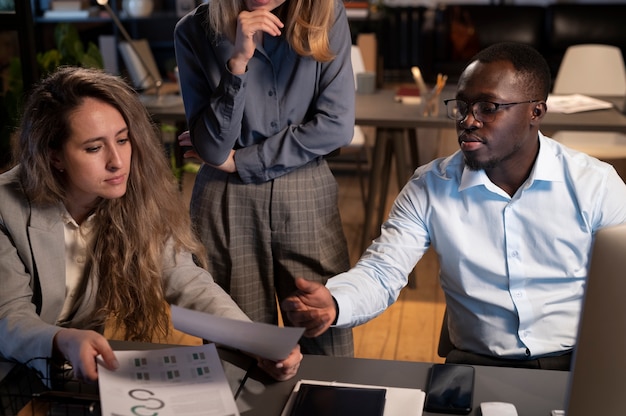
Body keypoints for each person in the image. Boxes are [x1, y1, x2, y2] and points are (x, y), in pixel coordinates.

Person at [282, 42, 626, 371]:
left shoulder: (595, 185)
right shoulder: (429, 186)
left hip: (579, 362)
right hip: (477, 361)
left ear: (536, 112)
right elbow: (382, 272)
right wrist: (335, 302)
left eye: (488, 108)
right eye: (462, 106)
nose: (468, 121)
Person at [0, 66, 301, 383]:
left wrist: (255, 341)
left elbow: (186, 280)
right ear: (54, 157)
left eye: (122, 139)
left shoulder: (136, 197)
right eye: (93, 148)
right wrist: (62, 341)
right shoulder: (6, 207)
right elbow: (9, 317)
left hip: (76, 376)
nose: (117, 161)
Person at [173, 0, 355, 356]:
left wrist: (245, 161)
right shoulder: (193, 29)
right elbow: (211, 149)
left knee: (325, 344)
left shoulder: (326, 13)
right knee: (239, 350)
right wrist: (238, 62)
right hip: (225, 204)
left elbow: (336, 127)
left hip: (304, 192)